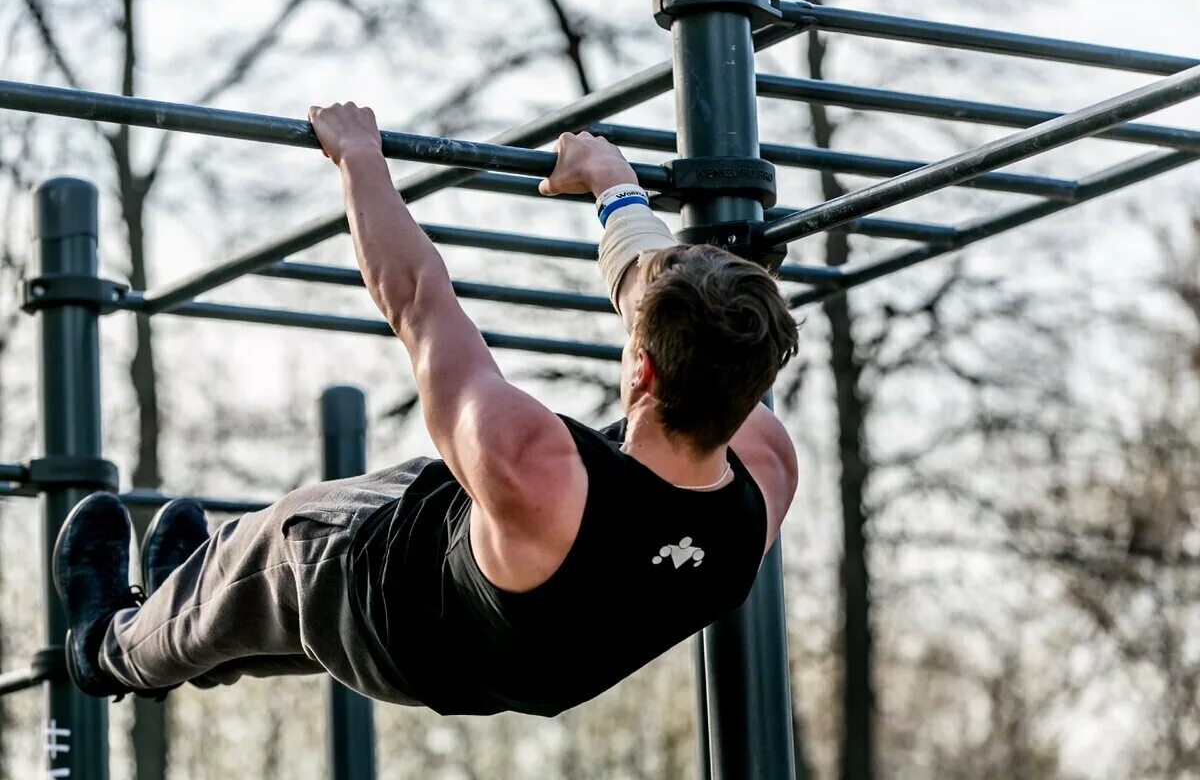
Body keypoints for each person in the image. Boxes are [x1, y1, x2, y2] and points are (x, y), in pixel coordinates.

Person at [53, 103, 800, 716]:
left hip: (386, 608)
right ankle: (184, 623)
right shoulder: (766, 474)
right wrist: (613, 184)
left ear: (640, 364)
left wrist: (360, 159)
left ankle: (106, 650)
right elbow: (661, 306)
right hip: (502, 647)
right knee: (230, 607)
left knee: (259, 554)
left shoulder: (533, 465)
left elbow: (415, 298)